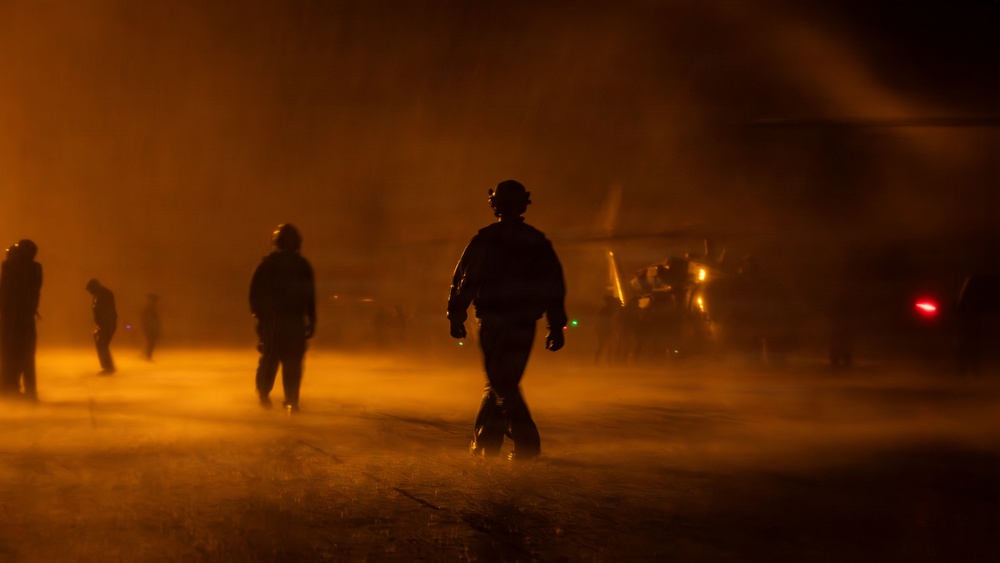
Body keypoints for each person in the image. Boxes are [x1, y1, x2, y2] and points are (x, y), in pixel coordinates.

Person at [448, 180, 567, 461]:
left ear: (494, 206)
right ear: (524, 204)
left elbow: (464, 281)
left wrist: (456, 315)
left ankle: (512, 442)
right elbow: (553, 288)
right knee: (504, 381)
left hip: (492, 321)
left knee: (501, 382)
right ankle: (494, 440)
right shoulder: (537, 242)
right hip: (523, 323)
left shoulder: (484, 240)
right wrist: (555, 325)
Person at [250, 224, 316, 412]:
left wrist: (261, 318)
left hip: (276, 322)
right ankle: (291, 399)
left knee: (271, 359)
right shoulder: (301, 266)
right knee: (291, 363)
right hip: (290, 322)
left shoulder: (268, 265)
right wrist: (311, 320)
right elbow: (309, 297)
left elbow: (254, 295)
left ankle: (266, 394)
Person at [0, 240, 43, 400]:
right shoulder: (35, 267)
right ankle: (25, 388)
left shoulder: (11, 265)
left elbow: (6, 291)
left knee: (11, 353)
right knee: (25, 354)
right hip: (24, 317)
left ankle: (9, 387)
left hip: (13, 318)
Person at [86, 279, 117, 374]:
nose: (90, 293)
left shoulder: (103, 294)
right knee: (102, 344)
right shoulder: (100, 294)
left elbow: (105, 310)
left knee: (102, 344)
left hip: (107, 324)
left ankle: (108, 367)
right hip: (104, 324)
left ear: (94, 287)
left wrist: (103, 324)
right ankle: (108, 366)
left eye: (90, 290)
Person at [140, 293, 162, 361]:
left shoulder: (149, 308)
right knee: (151, 342)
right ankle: (148, 355)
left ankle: (147, 354)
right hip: (150, 328)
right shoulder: (149, 308)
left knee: (150, 342)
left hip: (150, 328)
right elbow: (147, 319)